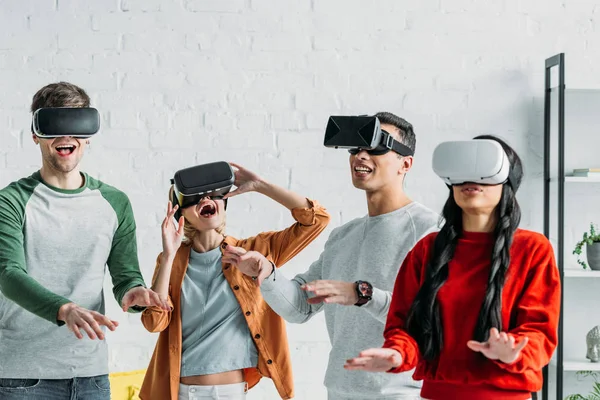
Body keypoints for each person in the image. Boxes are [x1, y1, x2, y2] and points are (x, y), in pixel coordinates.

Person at [229, 112, 440, 400]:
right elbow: (300, 307)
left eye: (377, 147)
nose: (361, 156)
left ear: (406, 163)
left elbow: (430, 320)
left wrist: (362, 294)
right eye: (356, 148)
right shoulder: (343, 237)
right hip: (340, 391)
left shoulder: (430, 231)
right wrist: (265, 271)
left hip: (401, 393)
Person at [344, 136, 561, 400]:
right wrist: (396, 354)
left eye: (484, 171)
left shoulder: (533, 249)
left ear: (508, 181)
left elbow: (538, 331)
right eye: (462, 173)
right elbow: (404, 327)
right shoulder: (427, 250)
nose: (471, 179)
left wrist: (513, 351)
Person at [0, 82, 165, 400]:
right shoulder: (11, 201)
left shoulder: (115, 202)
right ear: (36, 134)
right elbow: (7, 274)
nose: (65, 137)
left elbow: (125, 276)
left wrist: (135, 292)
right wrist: (64, 309)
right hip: (22, 378)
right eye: (53, 126)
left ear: (88, 133)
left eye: (75, 124)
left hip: (91, 376)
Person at [139, 162, 331, 400]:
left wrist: (261, 186)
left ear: (224, 202)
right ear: (182, 213)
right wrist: (168, 255)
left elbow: (317, 219)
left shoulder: (254, 251)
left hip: (231, 392)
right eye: (195, 197)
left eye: (213, 195)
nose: (206, 199)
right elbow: (154, 323)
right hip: (182, 392)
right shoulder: (172, 260)